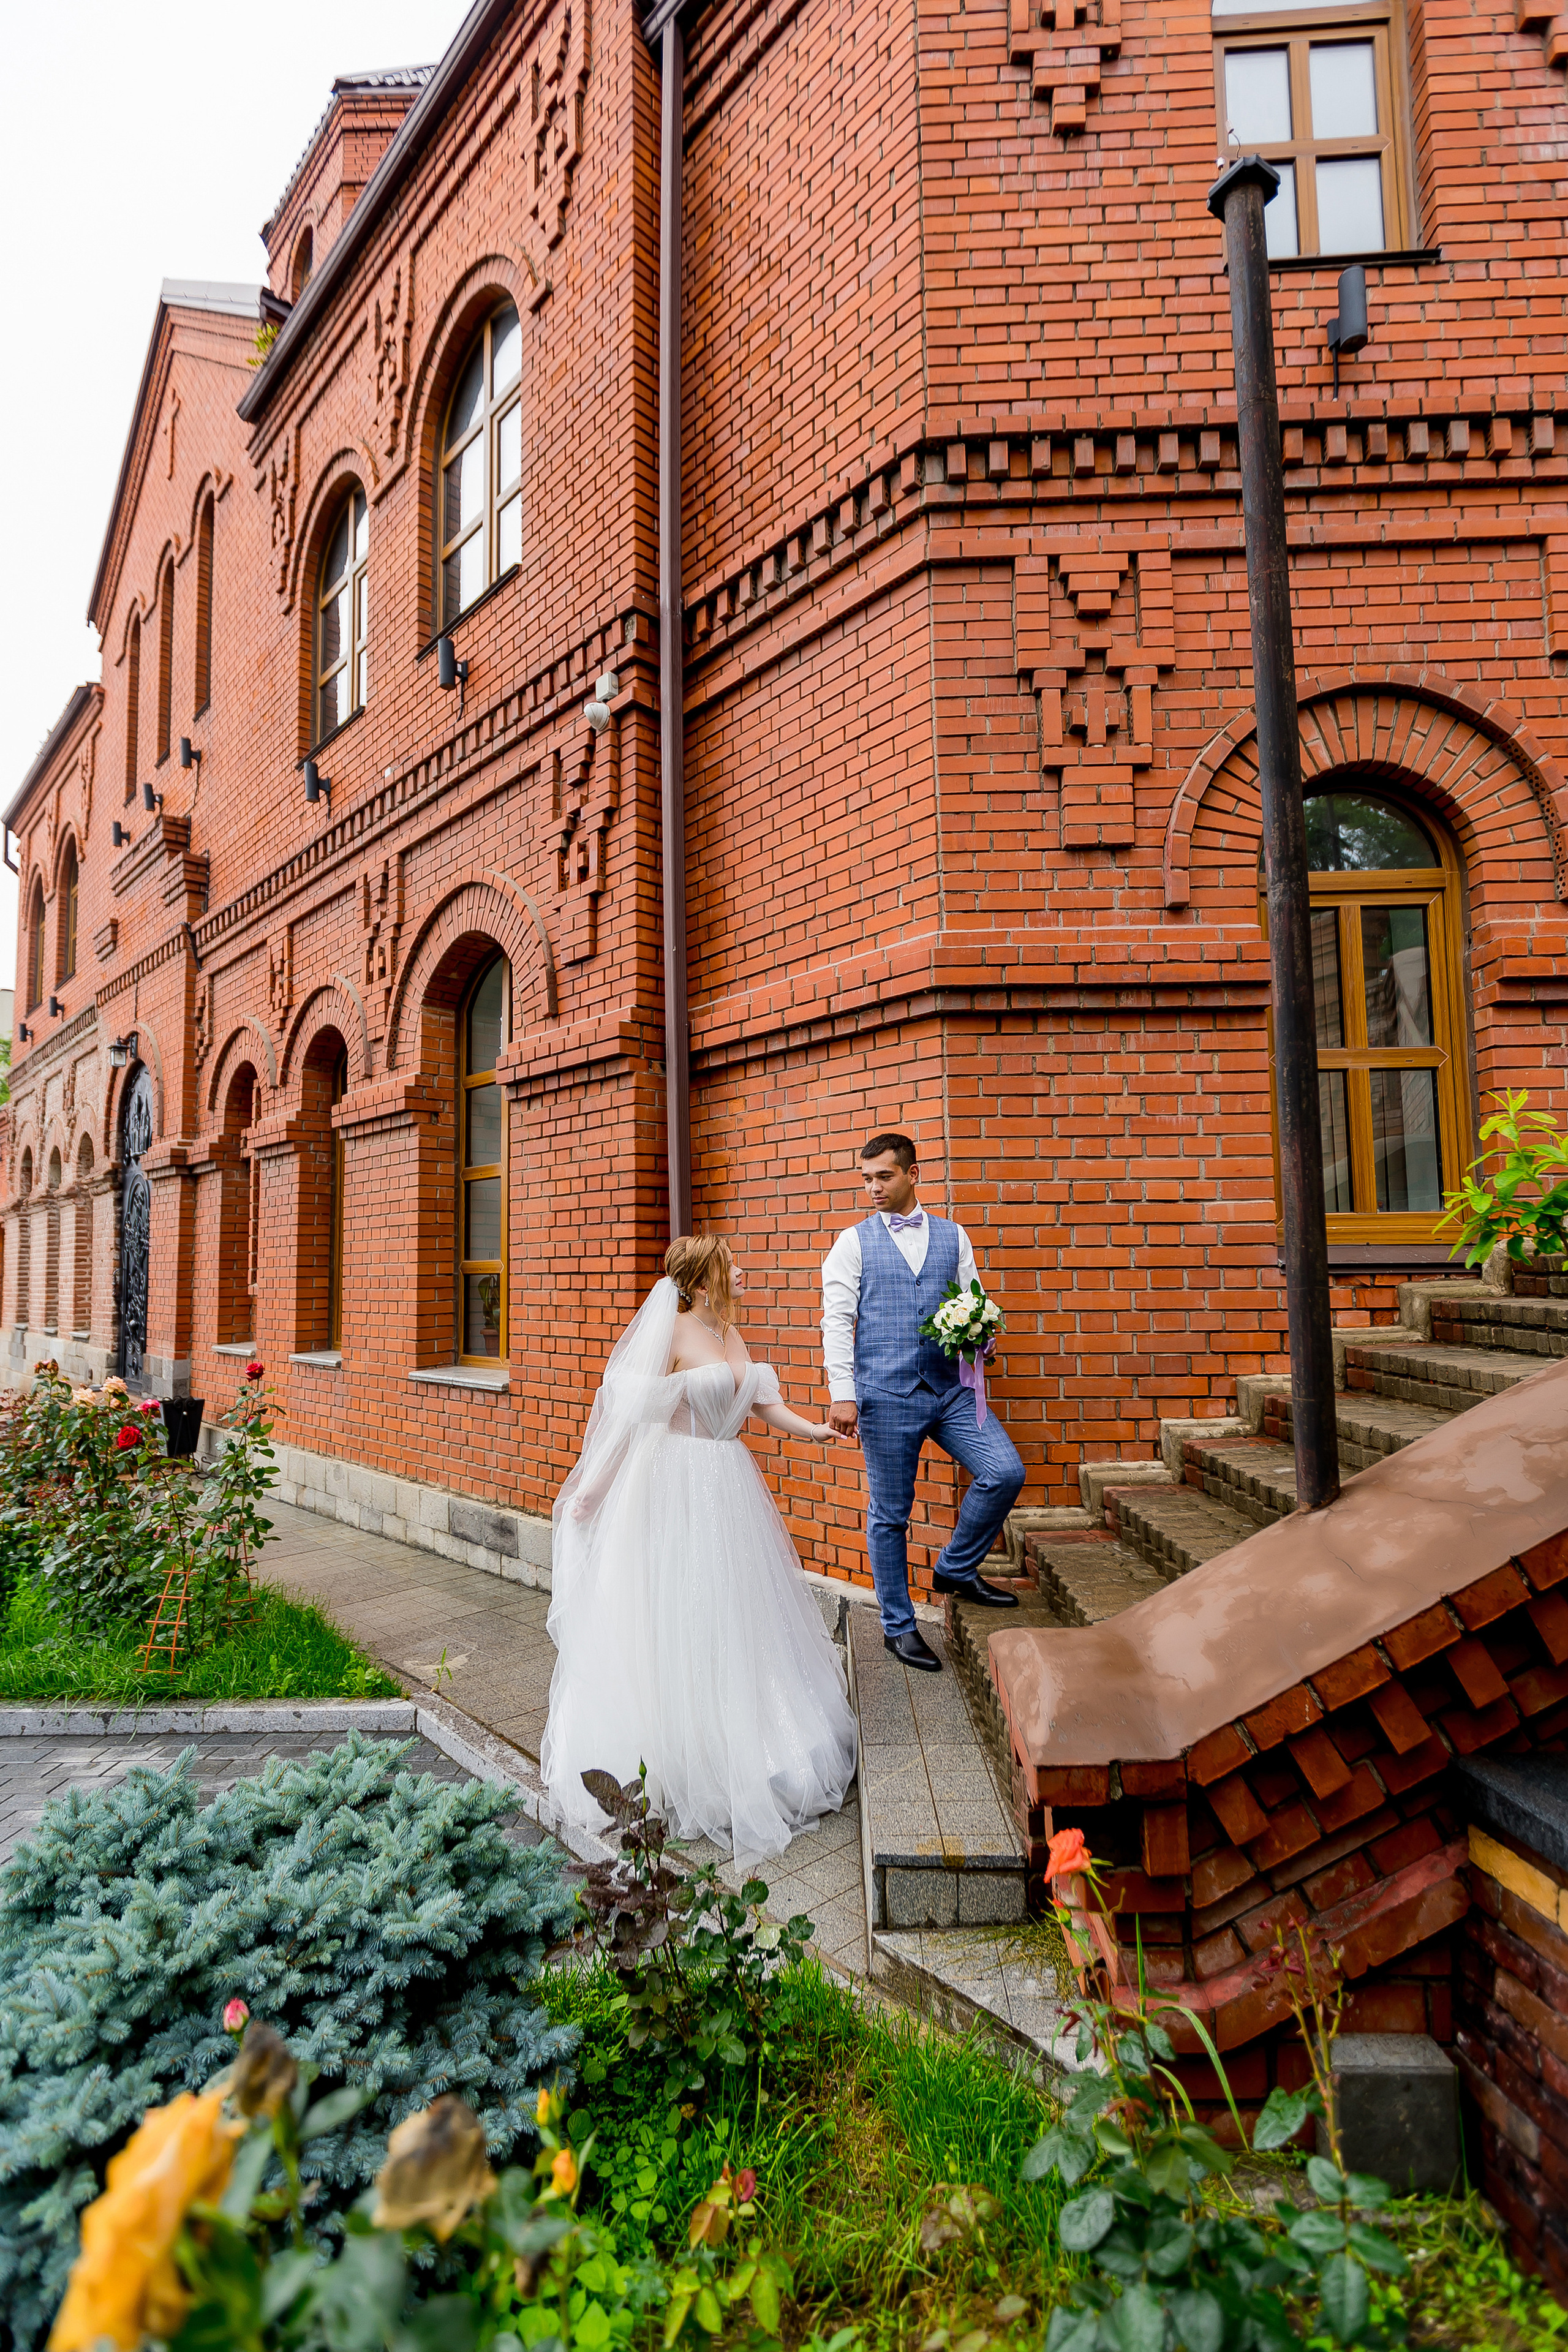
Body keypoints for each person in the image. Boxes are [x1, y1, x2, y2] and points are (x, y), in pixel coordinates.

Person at [542, 1234, 858, 1864]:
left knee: (738, 1613)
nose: (743, 1270)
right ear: (705, 1280)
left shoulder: (729, 1334)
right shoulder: (674, 1335)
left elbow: (765, 1406)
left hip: (729, 1482)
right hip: (676, 1485)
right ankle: (681, 1762)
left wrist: (817, 1432)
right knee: (686, 1611)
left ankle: (754, 1739)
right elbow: (633, 1421)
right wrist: (592, 1493)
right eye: (731, 1264)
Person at [821, 1133, 1023, 1673]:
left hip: (951, 1390)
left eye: (883, 1176)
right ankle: (898, 1626)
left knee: (1004, 1472)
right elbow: (837, 1321)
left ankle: (956, 1567)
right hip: (885, 1396)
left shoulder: (954, 1237)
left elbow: (971, 1300)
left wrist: (983, 1335)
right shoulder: (853, 1242)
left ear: (914, 1173)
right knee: (890, 1515)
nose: (873, 1188)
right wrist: (843, 1393)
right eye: (866, 1179)